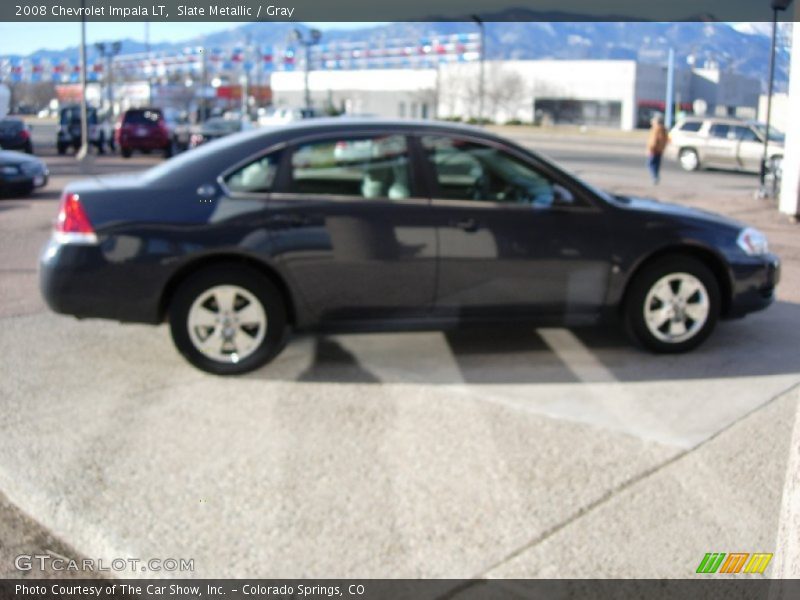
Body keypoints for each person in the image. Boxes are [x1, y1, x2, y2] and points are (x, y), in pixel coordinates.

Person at [647, 114, 669, 184]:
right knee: (656, 164)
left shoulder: (656, 129)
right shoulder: (663, 129)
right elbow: (666, 139)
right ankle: (656, 176)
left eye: (653, 121)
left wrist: (651, 148)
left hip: (654, 150)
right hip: (660, 149)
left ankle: (654, 176)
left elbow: (653, 140)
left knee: (650, 164)